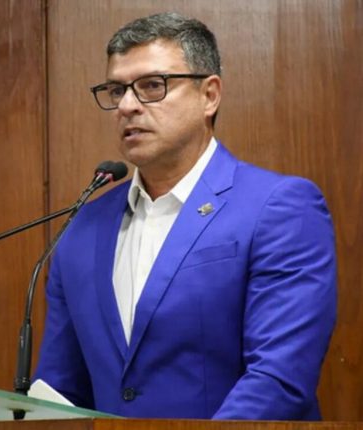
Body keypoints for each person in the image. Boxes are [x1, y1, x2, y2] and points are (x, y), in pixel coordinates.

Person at [33, 12, 336, 420]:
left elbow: (279, 378)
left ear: (209, 95)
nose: (127, 106)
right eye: (116, 90)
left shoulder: (279, 207)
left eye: (152, 86)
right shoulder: (80, 229)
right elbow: (59, 392)